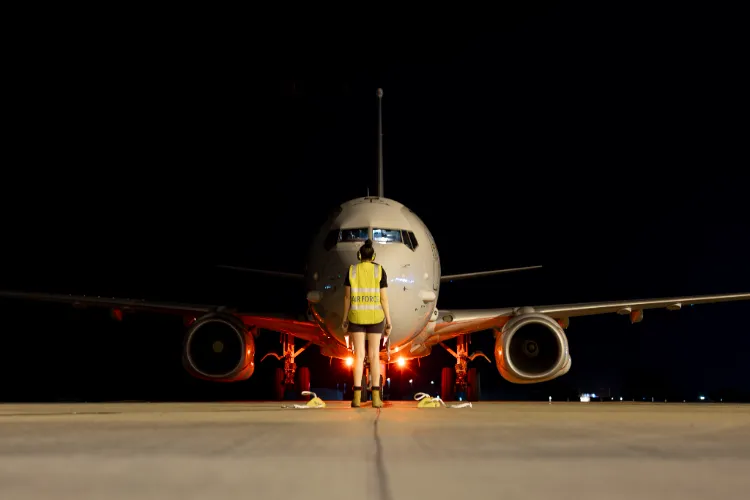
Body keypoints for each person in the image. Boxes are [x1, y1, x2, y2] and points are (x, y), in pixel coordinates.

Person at [342, 239, 392, 408]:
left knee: (359, 357)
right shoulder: (379, 271)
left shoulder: (352, 271)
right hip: (376, 318)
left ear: (359, 255)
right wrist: (389, 321)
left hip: (356, 317)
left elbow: (347, 297)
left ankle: (356, 398)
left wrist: (344, 319)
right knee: (374, 357)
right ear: (374, 256)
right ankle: (376, 398)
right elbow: (384, 298)